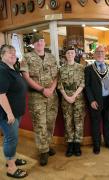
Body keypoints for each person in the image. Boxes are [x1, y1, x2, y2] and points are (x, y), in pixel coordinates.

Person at [20, 33, 58, 166]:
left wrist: (51, 90)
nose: (40, 43)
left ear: (44, 42)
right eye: (37, 42)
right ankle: (43, 151)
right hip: (36, 96)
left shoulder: (51, 57)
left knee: (49, 123)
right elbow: (26, 77)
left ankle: (47, 145)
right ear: (33, 44)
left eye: (41, 41)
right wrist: (42, 90)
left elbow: (56, 76)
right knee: (40, 124)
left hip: (52, 96)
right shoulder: (27, 57)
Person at [0, 45, 27, 178]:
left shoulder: (13, 68)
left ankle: (11, 159)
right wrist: (9, 113)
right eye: (9, 53)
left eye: (14, 52)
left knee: (12, 138)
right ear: (2, 55)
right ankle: (11, 168)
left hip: (16, 111)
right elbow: (1, 94)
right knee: (11, 139)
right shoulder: (2, 70)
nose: (13, 54)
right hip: (7, 114)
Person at [85, 45, 109, 154]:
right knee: (95, 123)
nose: (100, 54)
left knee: (108, 122)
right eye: (98, 52)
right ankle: (97, 145)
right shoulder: (88, 69)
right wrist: (91, 100)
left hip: (108, 99)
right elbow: (87, 86)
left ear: (105, 54)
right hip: (96, 101)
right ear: (94, 55)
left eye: (102, 52)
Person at [57, 47, 85, 157]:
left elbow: (83, 83)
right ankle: (70, 144)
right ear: (65, 55)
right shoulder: (61, 69)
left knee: (78, 121)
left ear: (75, 54)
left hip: (78, 98)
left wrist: (74, 95)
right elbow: (60, 84)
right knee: (68, 121)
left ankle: (77, 144)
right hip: (65, 98)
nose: (70, 54)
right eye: (68, 53)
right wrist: (66, 96)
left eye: (72, 53)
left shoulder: (81, 68)